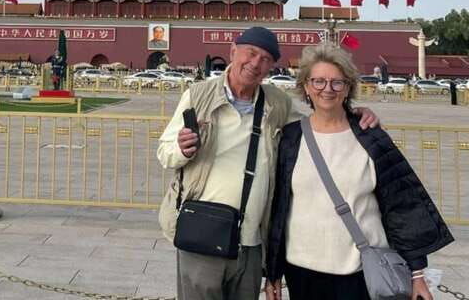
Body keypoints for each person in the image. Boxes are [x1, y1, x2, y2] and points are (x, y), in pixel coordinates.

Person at [157, 27, 380, 300]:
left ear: (270, 67)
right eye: (250, 53)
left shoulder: (276, 103)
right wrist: (181, 149)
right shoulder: (198, 96)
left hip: (250, 241)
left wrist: (354, 114)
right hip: (202, 236)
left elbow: (315, 123)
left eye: (265, 59)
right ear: (232, 52)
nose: (255, 63)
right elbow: (165, 152)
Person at [265, 43, 452, 300]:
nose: (327, 89)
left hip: (360, 272)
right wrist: (273, 272)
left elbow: (402, 206)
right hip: (302, 271)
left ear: (348, 87)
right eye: (318, 81)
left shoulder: (370, 137)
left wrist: (417, 273)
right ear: (306, 87)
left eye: (337, 82)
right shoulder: (290, 138)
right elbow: (279, 208)